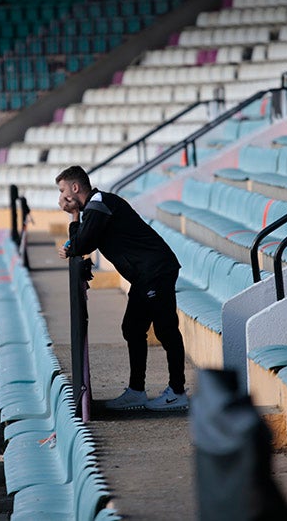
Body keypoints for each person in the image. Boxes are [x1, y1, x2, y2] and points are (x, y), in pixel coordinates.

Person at [55, 165, 188, 411]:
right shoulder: (95, 207)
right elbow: (81, 240)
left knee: (165, 329)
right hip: (146, 274)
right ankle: (137, 391)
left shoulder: (98, 203)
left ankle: (177, 391)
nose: (61, 197)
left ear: (75, 188)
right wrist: (75, 219)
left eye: (63, 190)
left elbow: (82, 243)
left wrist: (73, 223)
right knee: (133, 328)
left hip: (155, 270)